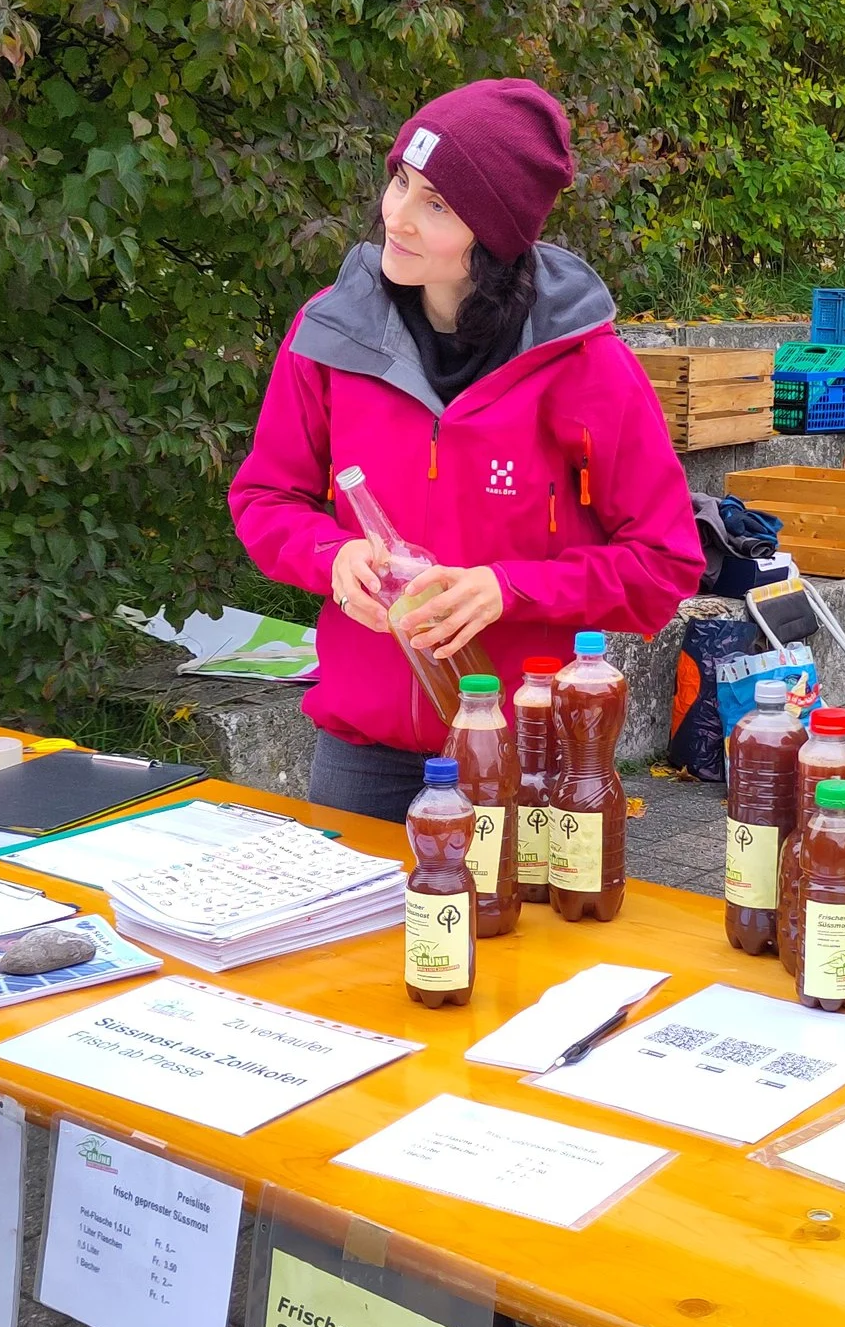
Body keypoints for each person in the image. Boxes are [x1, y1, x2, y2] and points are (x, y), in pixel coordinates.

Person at [230, 77, 703, 820]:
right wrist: (331, 558)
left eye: (437, 205)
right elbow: (265, 498)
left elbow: (664, 561)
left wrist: (507, 590)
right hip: (362, 753)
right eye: (400, 183)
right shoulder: (329, 333)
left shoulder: (586, 364)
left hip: (524, 756)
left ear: (494, 234)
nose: (398, 217)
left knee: (517, 940)